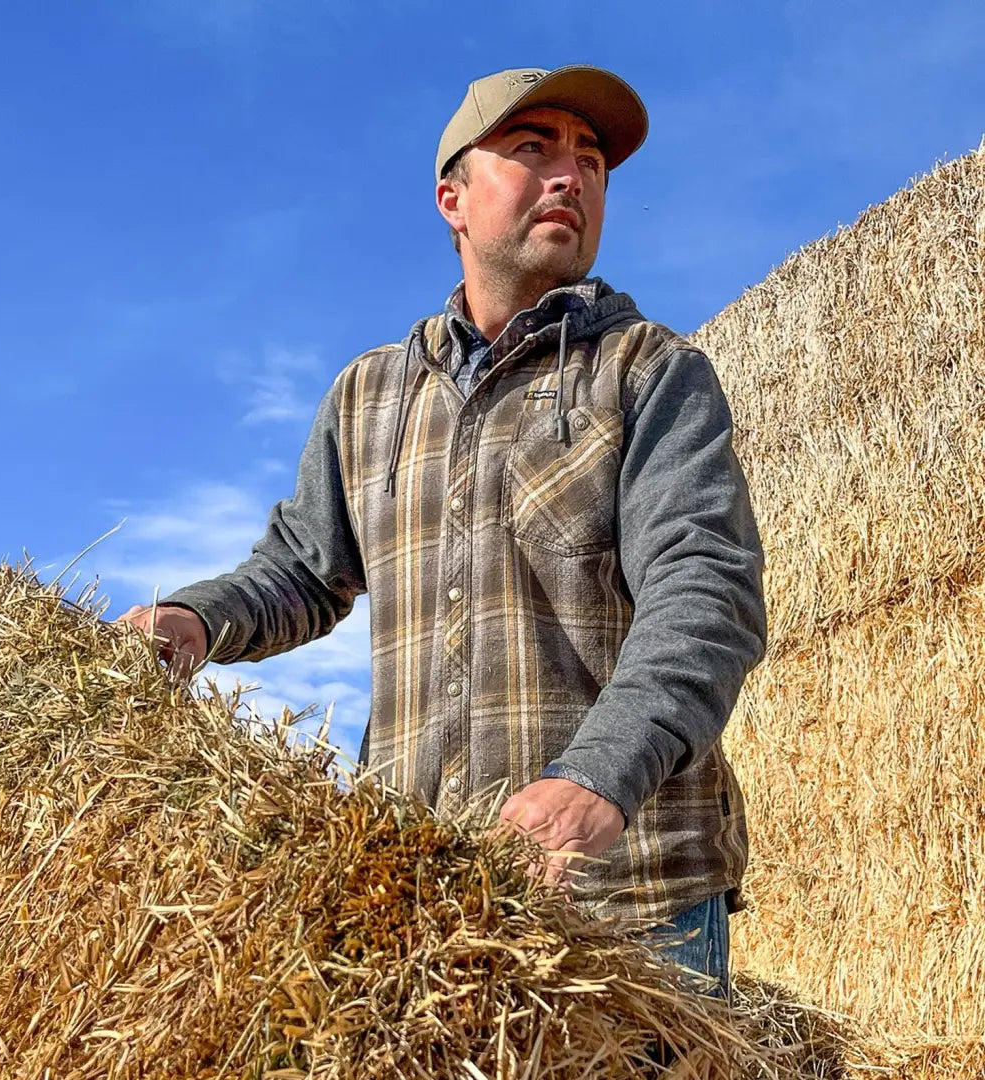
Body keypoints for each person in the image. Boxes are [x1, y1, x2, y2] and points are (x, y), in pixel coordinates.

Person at [116, 65, 766, 997]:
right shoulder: (369, 395)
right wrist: (193, 619)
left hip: (628, 898)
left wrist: (599, 778)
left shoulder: (649, 373)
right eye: (533, 148)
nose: (571, 176)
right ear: (451, 198)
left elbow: (707, 593)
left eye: (591, 159)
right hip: (423, 899)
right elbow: (303, 568)